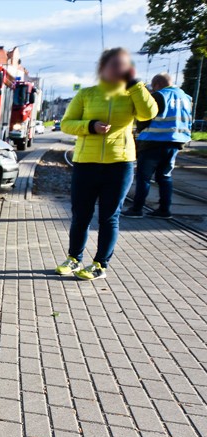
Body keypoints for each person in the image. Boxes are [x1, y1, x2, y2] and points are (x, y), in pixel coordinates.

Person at [55, 48, 158, 280]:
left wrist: (135, 85)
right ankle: (74, 258)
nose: (118, 69)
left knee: (109, 216)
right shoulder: (86, 94)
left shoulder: (133, 94)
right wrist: (90, 126)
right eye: (114, 64)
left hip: (119, 163)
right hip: (86, 162)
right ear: (102, 68)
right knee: (81, 214)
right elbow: (67, 124)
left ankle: (100, 264)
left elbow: (148, 113)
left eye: (123, 65)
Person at [122, 73, 192, 219]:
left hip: (153, 142)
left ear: (157, 84)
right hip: (175, 142)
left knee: (144, 177)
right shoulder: (186, 97)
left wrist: (138, 131)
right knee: (165, 176)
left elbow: (145, 118)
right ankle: (164, 210)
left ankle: (137, 209)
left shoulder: (159, 96)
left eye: (153, 87)